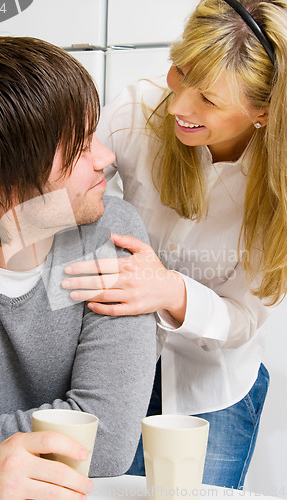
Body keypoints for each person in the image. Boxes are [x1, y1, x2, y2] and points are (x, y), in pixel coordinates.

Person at [61, 0, 287, 490]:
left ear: (263, 113)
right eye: (180, 72)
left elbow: (245, 317)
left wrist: (170, 292)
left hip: (212, 386)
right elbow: (66, 190)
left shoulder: (278, 191)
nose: (179, 106)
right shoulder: (137, 110)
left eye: (208, 99)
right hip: (110, 366)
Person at [0, 36, 157, 499]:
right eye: (80, 147)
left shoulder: (114, 233)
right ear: (6, 183)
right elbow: (83, 435)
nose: (106, 158)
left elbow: (105, 441)